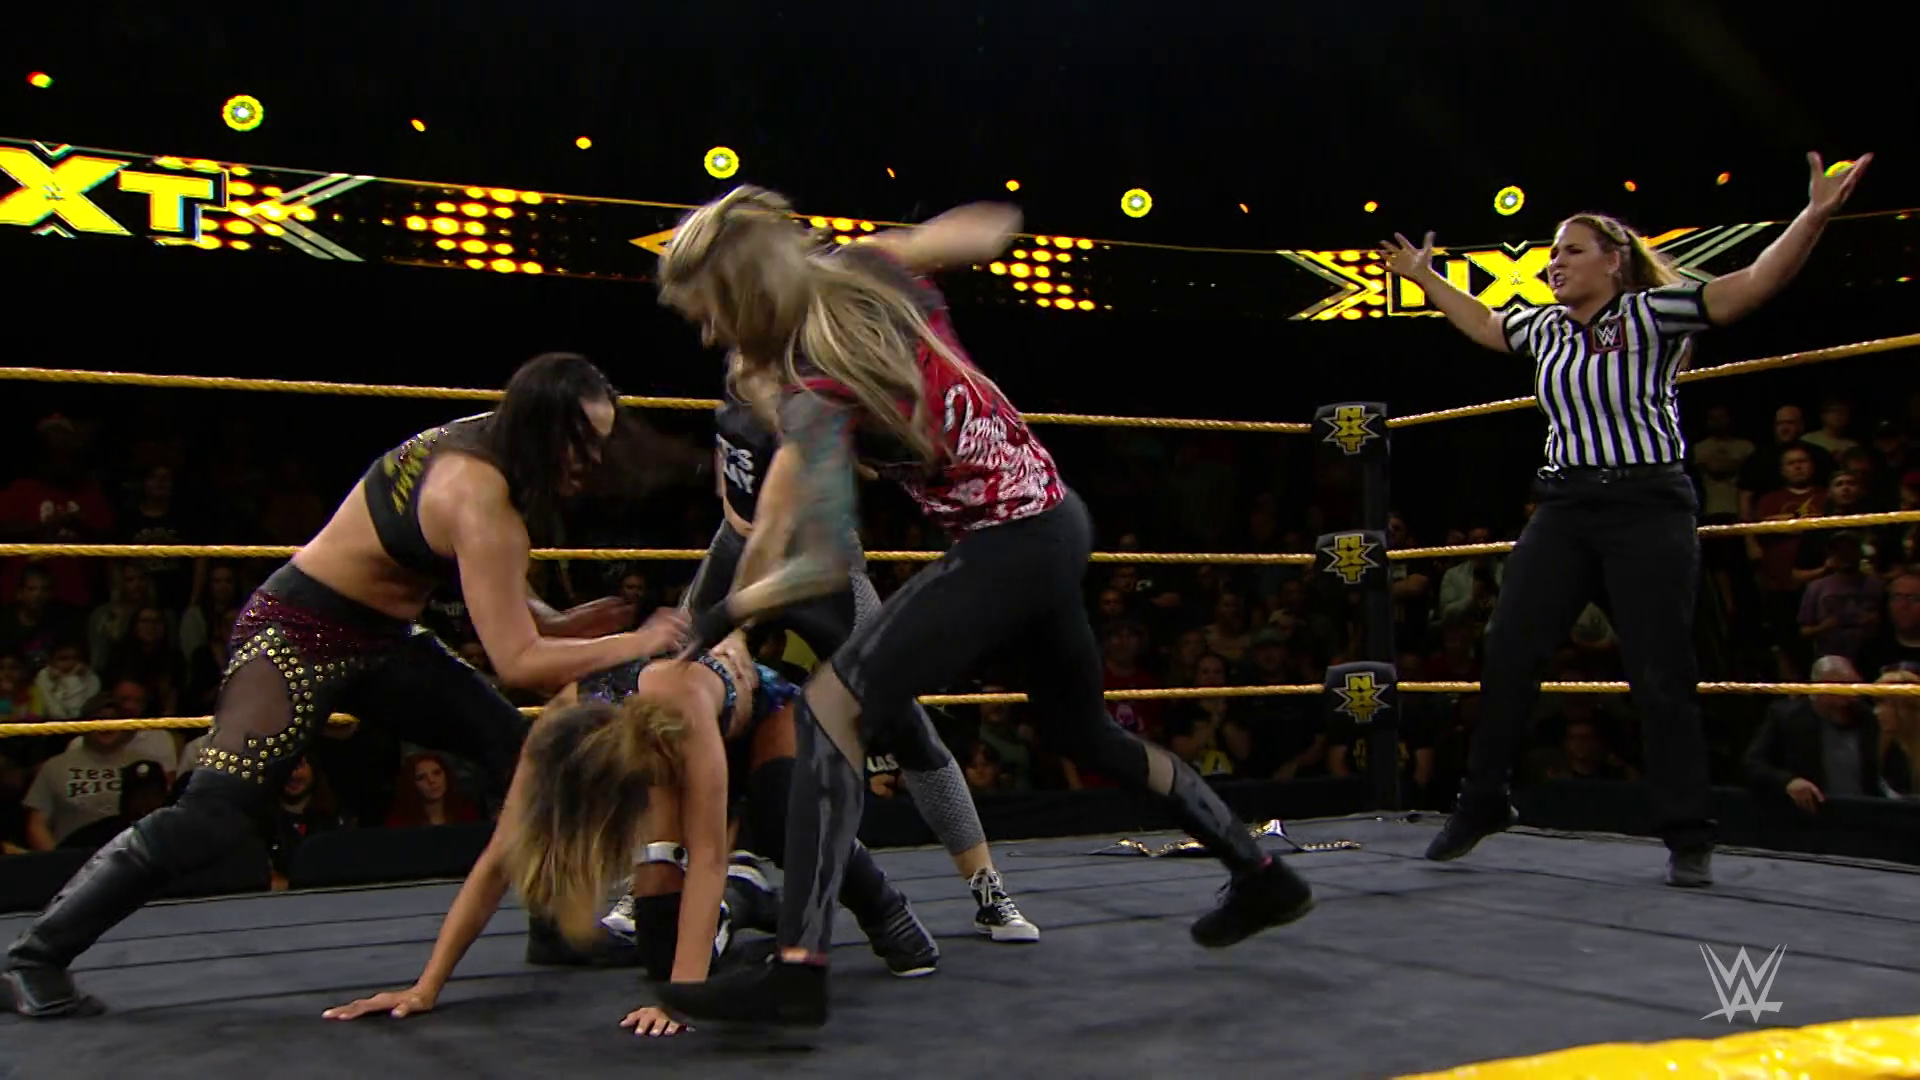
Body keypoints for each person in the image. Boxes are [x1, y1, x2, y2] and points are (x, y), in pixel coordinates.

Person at [650, 187, 1314, 1027]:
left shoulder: (824, 374)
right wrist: (922, 244)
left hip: (1015, 543)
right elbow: (994, 228)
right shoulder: (862, 286)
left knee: (830, 710)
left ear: (742, 295)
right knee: (1086, 735)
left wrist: (716, 619)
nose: (709, 336)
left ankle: (798, 969)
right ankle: (1262, 874)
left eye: (708, 314)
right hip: (1053, 522)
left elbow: (810, 555)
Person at [2, 352, 689, 1018]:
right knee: (215, 814)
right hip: (296, 632)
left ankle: (554, 925)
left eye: (600, 440)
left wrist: (558, 621)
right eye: (581, 442)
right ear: (543, 429)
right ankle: (33, 957)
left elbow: (485, 575)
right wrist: (642, 640)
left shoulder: (491, 445)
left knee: (522, 751)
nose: (592, 459)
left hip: (382, 638)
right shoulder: (477, 495)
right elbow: (517, 662)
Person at [1385, 150, 1873, 887]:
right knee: (1508, 646)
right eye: (1552, 254)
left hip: (1647, 504)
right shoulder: (1544, 328)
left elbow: (1749, 287)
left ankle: (1687, 833)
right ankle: (1482, 800)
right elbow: (1484, 322)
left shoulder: (1650, 313)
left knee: (1660, 671)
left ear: (1614, 261)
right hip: (1564, 505)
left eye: (1571, 251)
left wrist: (1812, 217)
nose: (1555, 264)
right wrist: (1427, 280)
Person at [323, 633, 936, 1039]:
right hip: (659, 745)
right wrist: (426, 986)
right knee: (661, 945)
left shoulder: (680, 712)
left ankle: (882, 907)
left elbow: (707, 853)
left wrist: (683, 1000)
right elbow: (496, 861)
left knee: (781, 816)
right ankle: (748, 896)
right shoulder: (555, 731)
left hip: (767, 712)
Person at [596, 383, 1038, 943]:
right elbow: (734, 499)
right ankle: (655, 876)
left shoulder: (817, 397)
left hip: (822, 566)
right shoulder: (731, 404)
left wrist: (740, 625)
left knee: (902, 720)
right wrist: (729, 601)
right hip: (740, 550)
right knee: (668, 696)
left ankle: (987, 889)